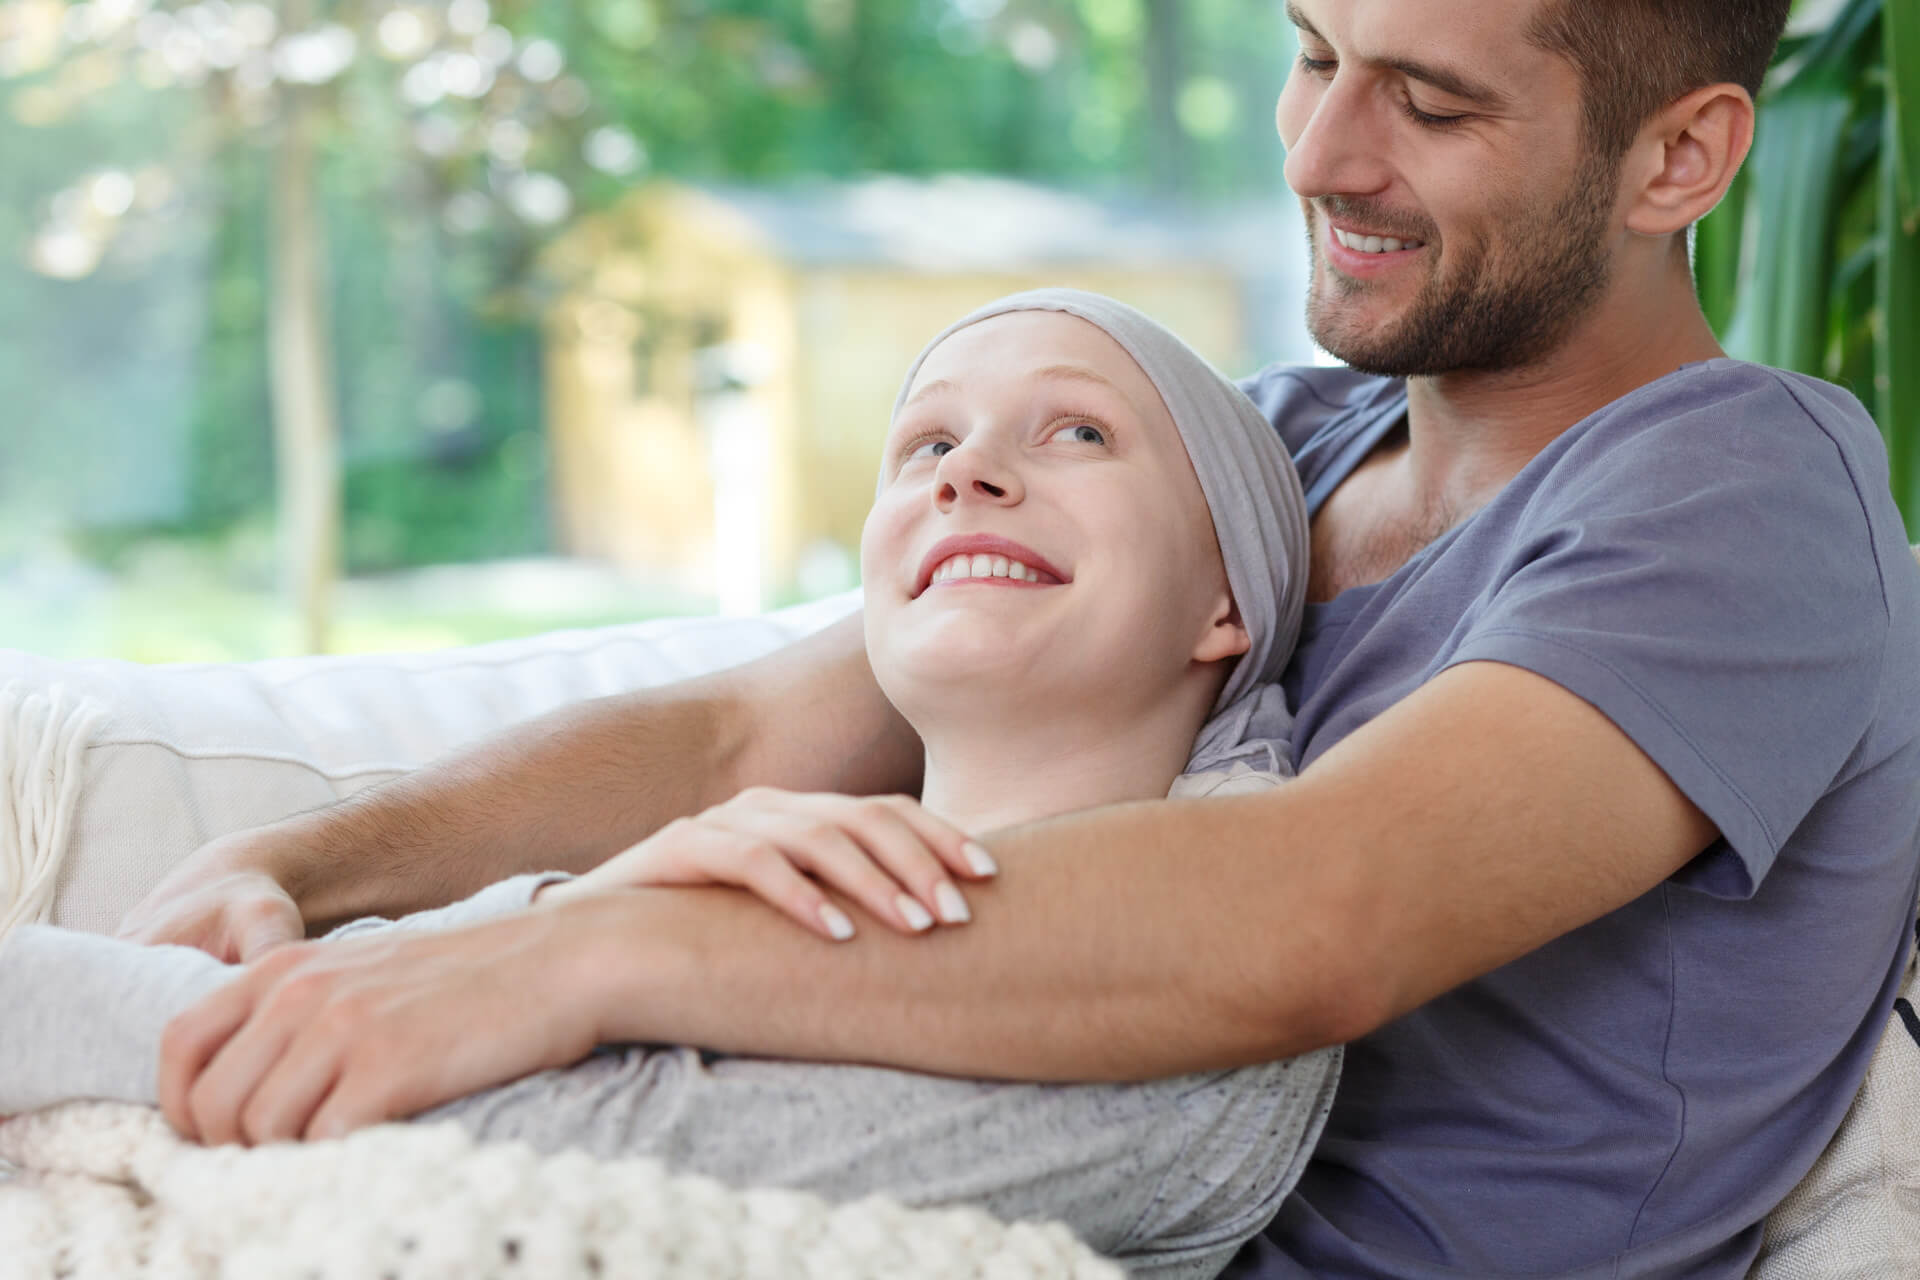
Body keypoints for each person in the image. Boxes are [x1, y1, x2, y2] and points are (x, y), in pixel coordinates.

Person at [110, 0, 1920, 1275]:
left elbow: (1315, 915)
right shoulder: (1275, 443)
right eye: (1307, 56)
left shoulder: (1741, 498)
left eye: (1429, 106)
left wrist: (589, 954)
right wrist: (300, 864)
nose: (1319, 150)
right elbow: (752, 739)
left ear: (1680, 157)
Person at [0, 291, 1339, 1278]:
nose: (967, 474)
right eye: (924, 445)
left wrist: (575, 945)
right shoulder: (737, 858)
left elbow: (531, 1140)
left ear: (1226, 598)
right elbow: (353, 1019)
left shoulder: (1198, 1034)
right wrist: (582, 911)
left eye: (1079, 434)